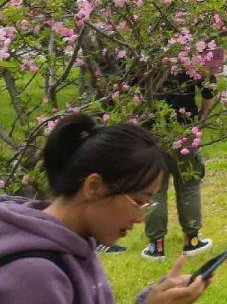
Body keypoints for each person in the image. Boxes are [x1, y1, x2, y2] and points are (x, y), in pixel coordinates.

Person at [0, 113, 208, 304]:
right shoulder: (34, 276)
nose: (140, 218)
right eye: (138, 201)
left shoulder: (76, 243)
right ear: (94, 187)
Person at [142, 50, 223, 260]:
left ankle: (156, 246)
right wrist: (202, 117)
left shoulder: (144, 50)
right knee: (188, 184)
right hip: (185, 127)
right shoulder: (193, 51)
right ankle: (192, 241)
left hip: (151, 129)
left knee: (154, 188)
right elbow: (208, 90)